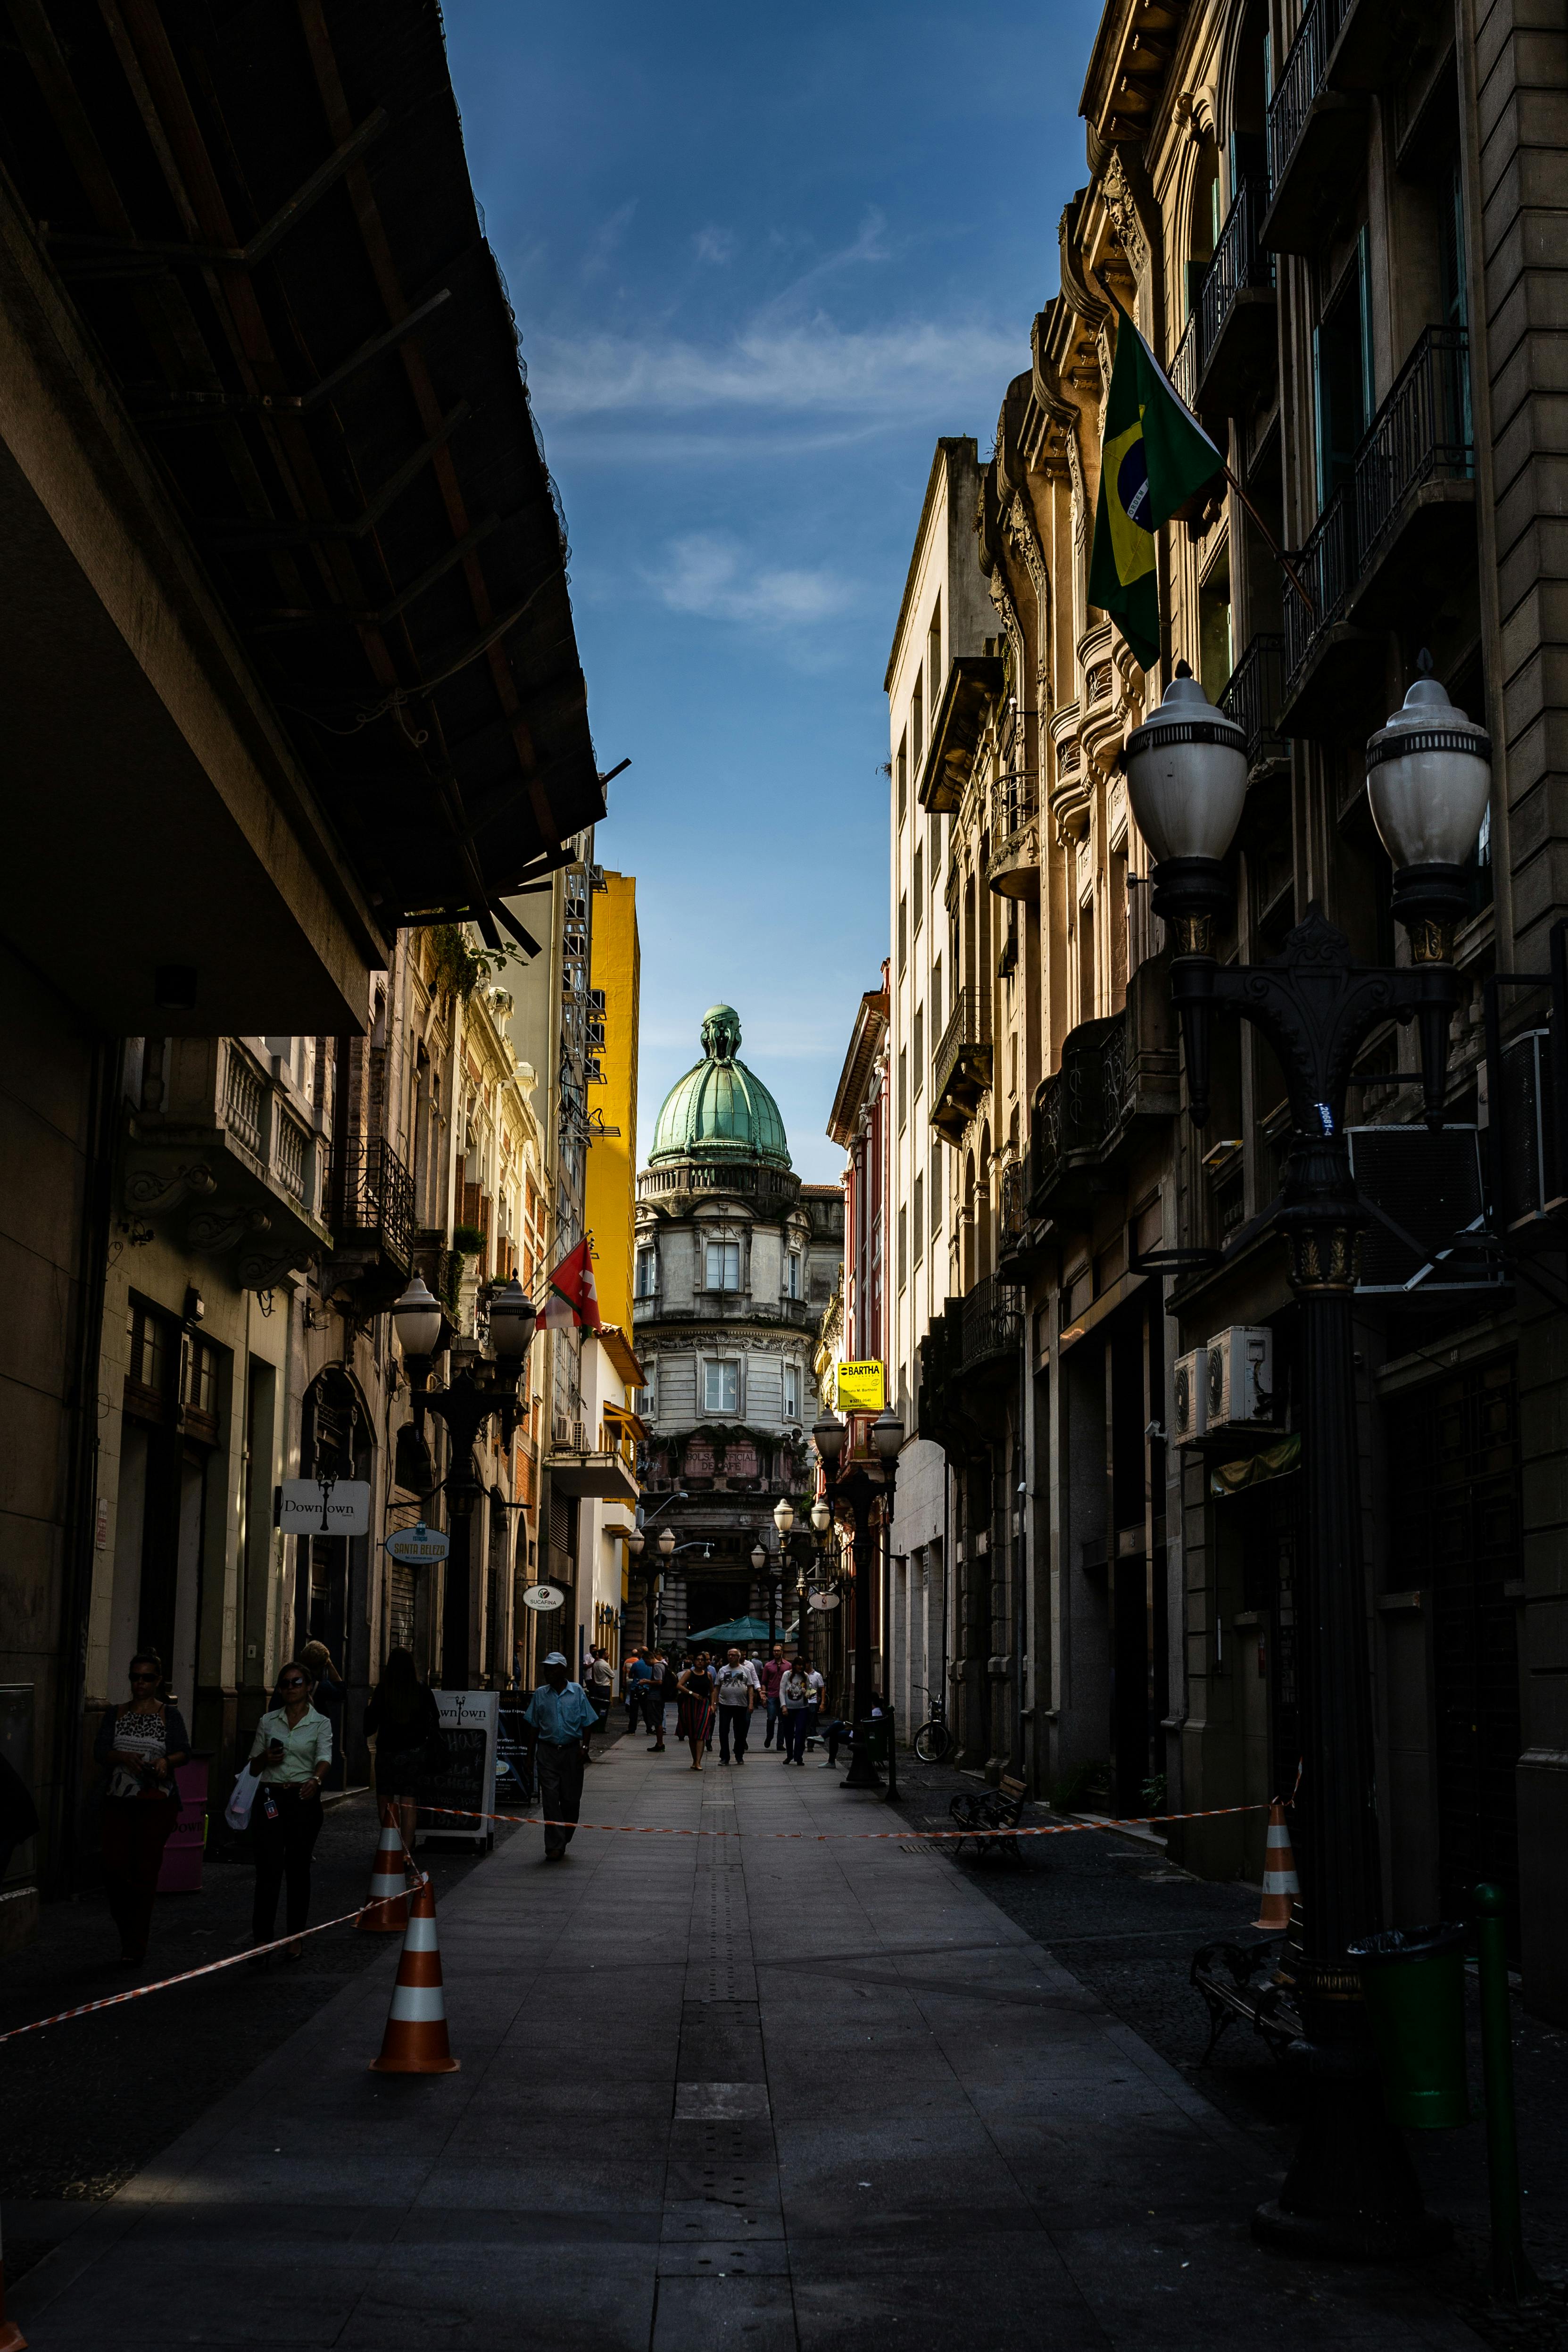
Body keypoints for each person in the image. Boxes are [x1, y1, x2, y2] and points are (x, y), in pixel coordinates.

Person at [94, 1651, 190, 1966]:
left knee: (145, 1872)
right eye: (136, 1676)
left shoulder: (168, 1715)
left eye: (147, 1677)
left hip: (157, 1802)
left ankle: (135, 1943)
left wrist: (164, 1762)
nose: (140, 1683)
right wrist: (123, 1757)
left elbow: (183, 1752)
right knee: (113, 1868)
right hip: (119, 1800)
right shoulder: (116, 1713)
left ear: (158, 1680)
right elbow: (101, 1751)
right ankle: (128, 1930)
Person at [246, 1659, 332, 1960]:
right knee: (268, 1871)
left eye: (297, 1682)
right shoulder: (268, 1721)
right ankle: (262, 1940)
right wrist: (265, 1758)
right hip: (270, 1798)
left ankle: (295, 1935)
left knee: (298, 1871)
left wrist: (317, 1779)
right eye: (286, 1683)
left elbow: (325, 1757)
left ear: (309, 1687)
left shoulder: (320, 1722)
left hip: (303, 1800)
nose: (291, 1688)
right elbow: (252, 1765)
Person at [364, 1647, 441, 1857]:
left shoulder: (383, 1690)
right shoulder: (421, 1689)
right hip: (414, 1754)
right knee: (409, 1803)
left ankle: (392, 1843)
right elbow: (435, 1718)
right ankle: (406, 1852)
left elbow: (369, 1724)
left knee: (386, 1802)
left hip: (387, 1753)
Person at [523, 1651, 599, 1860]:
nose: (548, 1672)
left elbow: (588, 1721)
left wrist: (585, 1748)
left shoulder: (577, 1692)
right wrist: (530, 1757)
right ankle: (555, 1845)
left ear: (563, 1670)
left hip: (572, 1753)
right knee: (550, 1798)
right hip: (547, 1752)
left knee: (571, 1800)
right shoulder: (540, 1694)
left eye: (552, 1668)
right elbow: (533, 1727)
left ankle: (565, 1834)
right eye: (546, 1668)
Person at [300, 1640, 345, 1787]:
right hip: (312, 1734)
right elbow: (341, 1692)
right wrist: (331, 1665)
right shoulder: (321, 1686)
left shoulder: (290, 1680)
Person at [713, 1646, 759, 1765]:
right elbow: (717, 1687)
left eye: (734, 1655)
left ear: (739, 1657)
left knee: (740, 1732)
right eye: (729, 1655)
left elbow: (750, 1687)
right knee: (723, 1730)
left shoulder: (745, 1670)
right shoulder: (722, 1670)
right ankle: (724, 1756)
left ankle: (739, 1754)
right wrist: (714, 1703)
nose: (731, 1657)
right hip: (725, 1704)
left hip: (741, 1705)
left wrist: (751, 1703)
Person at [678, 1652, 716, 1772]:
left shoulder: (708, 1675)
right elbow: (679, 1685)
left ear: (705, 1662)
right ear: (694, 1661)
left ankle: (699, 1762)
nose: (700, 1662)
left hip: (704, 1704)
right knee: (692, 1734)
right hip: (690, 1704)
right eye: (698, 1659)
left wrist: (713, 1705)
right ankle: (694, 1760)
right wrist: (691, 1693)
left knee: (701, 1733)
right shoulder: (690, 1673)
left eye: (702, 1660)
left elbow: (712, 1691)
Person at [779, 1657, 813, 1766]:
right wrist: (783, 1706)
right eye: (799, 1665)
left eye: (803, 1665)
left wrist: (808, 1692)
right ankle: (790, 1755)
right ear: (794, 1666)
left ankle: (799, 1756)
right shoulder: (787, 1675)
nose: (801, 1667)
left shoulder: (805, 1676)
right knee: (788, 1733)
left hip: (802, 1708)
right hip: (789, 1708)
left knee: (800, 1732)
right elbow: (782, 1691)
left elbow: (809, 1689)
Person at [759, 1643, 787, 1749]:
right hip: (772, 1695)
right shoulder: (768, 1666)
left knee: (783, 1720)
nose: (776, 1652)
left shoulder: (788, 1666)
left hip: (784, 1696)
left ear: (782, 1652)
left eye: (778, 1651)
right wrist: (764, 1697)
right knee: (771, 1718)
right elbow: (764, 1682)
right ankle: (769, 1737)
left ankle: (780, 1743)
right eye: (775, 1651)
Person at [644, 1650, 672, 1753]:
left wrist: (647, 1682)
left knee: (657, 1721)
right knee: (658, 1720)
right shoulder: (662, 1665)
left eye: (646, 1661)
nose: (646, 1664)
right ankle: (659, 1743)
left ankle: (660, 1744)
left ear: (649, 1658)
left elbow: (659, 1681)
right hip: (660, 1696)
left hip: (656, 1697)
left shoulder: (657, 1666)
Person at [624, 1647, 653, 1736]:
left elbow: (630, 1675)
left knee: (634, 1711)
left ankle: (632, 1730)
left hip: (636, 1689)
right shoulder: (652, 1665)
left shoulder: (636, 1664)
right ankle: (649, 1728)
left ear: (640, 1653)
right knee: (646, 1710)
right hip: (647, 1689)